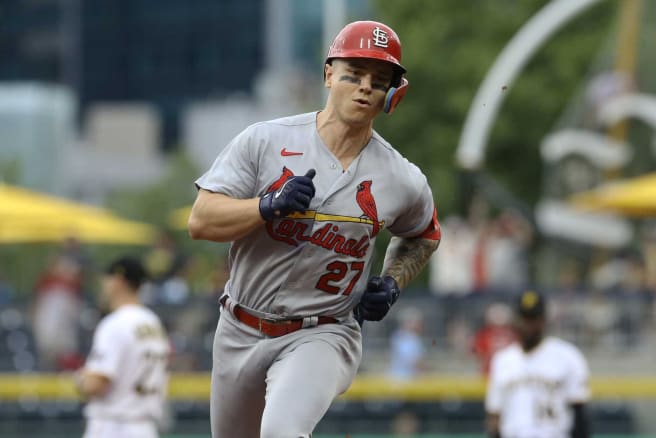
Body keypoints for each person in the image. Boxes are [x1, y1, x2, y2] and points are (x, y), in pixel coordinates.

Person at [188, 20, 441, 438]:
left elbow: (425, 234)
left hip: (323, 331)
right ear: (328, 74)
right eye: (353, 74)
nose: (364, 87)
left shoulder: (401, 177)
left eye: (379, 81)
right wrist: (266, 206)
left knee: (282, 431)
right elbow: (201, 220)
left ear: (393, 94)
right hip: (239, 327)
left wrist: (394, 281)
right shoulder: (266, 141)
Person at [75, 257, 170, 438]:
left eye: (106, 280)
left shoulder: (115, 323)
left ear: (117, 281)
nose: (103, 286)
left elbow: (96, 384)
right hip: (145, 428)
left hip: (113, 426)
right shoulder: (154, 323)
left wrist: (80, 380)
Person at [485, 290, 590, 438]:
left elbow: (580, 414)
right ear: (516, 320)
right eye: (524, 318)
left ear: (544, 320)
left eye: (533, 319)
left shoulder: (568, 356)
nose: (528, 325)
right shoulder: (502, 360)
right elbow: (495, 414)